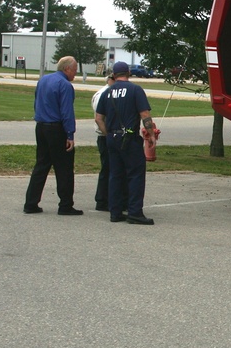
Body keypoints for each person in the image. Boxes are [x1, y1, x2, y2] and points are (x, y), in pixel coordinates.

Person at [94, 61, 157, 225]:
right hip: (129, 138)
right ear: (128, 73)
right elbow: (145, 115)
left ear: (114, 75)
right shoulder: (135, 90)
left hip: (112, 138)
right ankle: (134, 212)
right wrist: (151, 134)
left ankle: (115, 211)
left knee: (115, 174)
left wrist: (108, 133)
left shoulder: (107, 92)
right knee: (135, 174)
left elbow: (98, 118)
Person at [23, 56, 83, 215]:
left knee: (41, 165)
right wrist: (70, 134)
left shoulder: (43, 80)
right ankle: (65, 205)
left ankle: (31, 202)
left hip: (41, 126)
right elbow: (66, 112)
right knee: (64, 168)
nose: (75, 74)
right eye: (75, 70)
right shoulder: (65, 85)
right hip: (57, 128)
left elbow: (36, 102)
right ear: (67, 69)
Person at [91, 71, 127, 211]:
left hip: (109, 134)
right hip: (105, 135)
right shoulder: (104, 94)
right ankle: (102, 200)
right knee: (108, 168)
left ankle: (109, 198)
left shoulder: (110, 92)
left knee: (112, 168)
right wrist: (108, 134)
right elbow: (99, 117)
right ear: (111, 79)